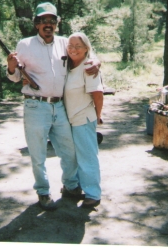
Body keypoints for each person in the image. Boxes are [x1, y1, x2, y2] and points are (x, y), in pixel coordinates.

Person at [6, 2, 100, 210]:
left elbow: (83, 53)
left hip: (60, 107)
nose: (47, 24)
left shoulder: (65, 43)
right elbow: (15, 77)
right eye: (43, 21)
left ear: (57, 24)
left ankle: (71, 186)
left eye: (52, 21)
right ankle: (43, 191)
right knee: (38, 154)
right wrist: (12, 68)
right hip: (35, 106)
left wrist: (96, 61)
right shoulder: (25, 44)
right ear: (37, 24)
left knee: (69, 151)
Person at [64, 32, 103, 208]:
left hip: (83, 117)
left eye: (78, 46)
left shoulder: (89, 67)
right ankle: (76, 185)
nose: (73, 49)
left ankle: (93, 193)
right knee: (74, 155)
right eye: (70, 46)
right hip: (70, 118)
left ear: (86, 48)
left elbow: (98, 94)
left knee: (87, 156)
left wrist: (98, 116)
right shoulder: (68, 65)